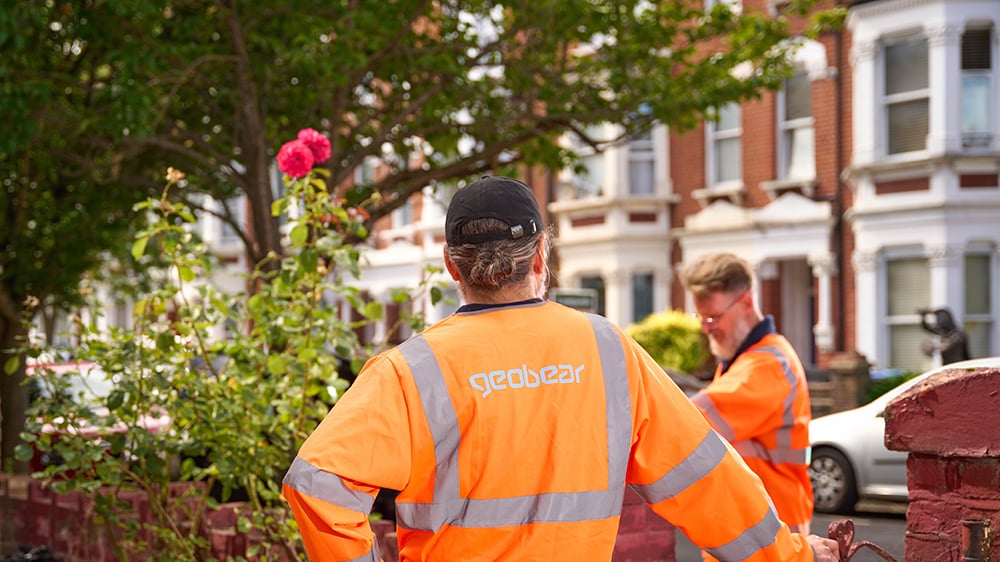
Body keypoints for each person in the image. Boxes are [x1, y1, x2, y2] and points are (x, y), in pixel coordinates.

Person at [282, 176, 840, 561]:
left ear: (452, 266)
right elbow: (707, 478)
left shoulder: (411, 370)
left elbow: (317, 485)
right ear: (542, 258)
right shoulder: (607, 351)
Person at [679, 253, 815, 538]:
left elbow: (688, 422)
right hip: (754, 535)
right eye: (701, 318)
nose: (706, 328)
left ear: (746, 303)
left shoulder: (769, 364)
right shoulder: (741, 361)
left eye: (713, 317)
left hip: (773, 538)